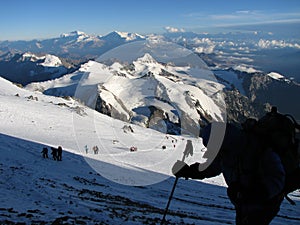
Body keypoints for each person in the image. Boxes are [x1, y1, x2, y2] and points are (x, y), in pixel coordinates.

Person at [172, 122, 286, 225]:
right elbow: (211, 168)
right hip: (245, 203)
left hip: (263, 206)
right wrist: (189, 171)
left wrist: (253, 193)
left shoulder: (258, 149)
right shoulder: (226, 151)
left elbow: (278, 178)